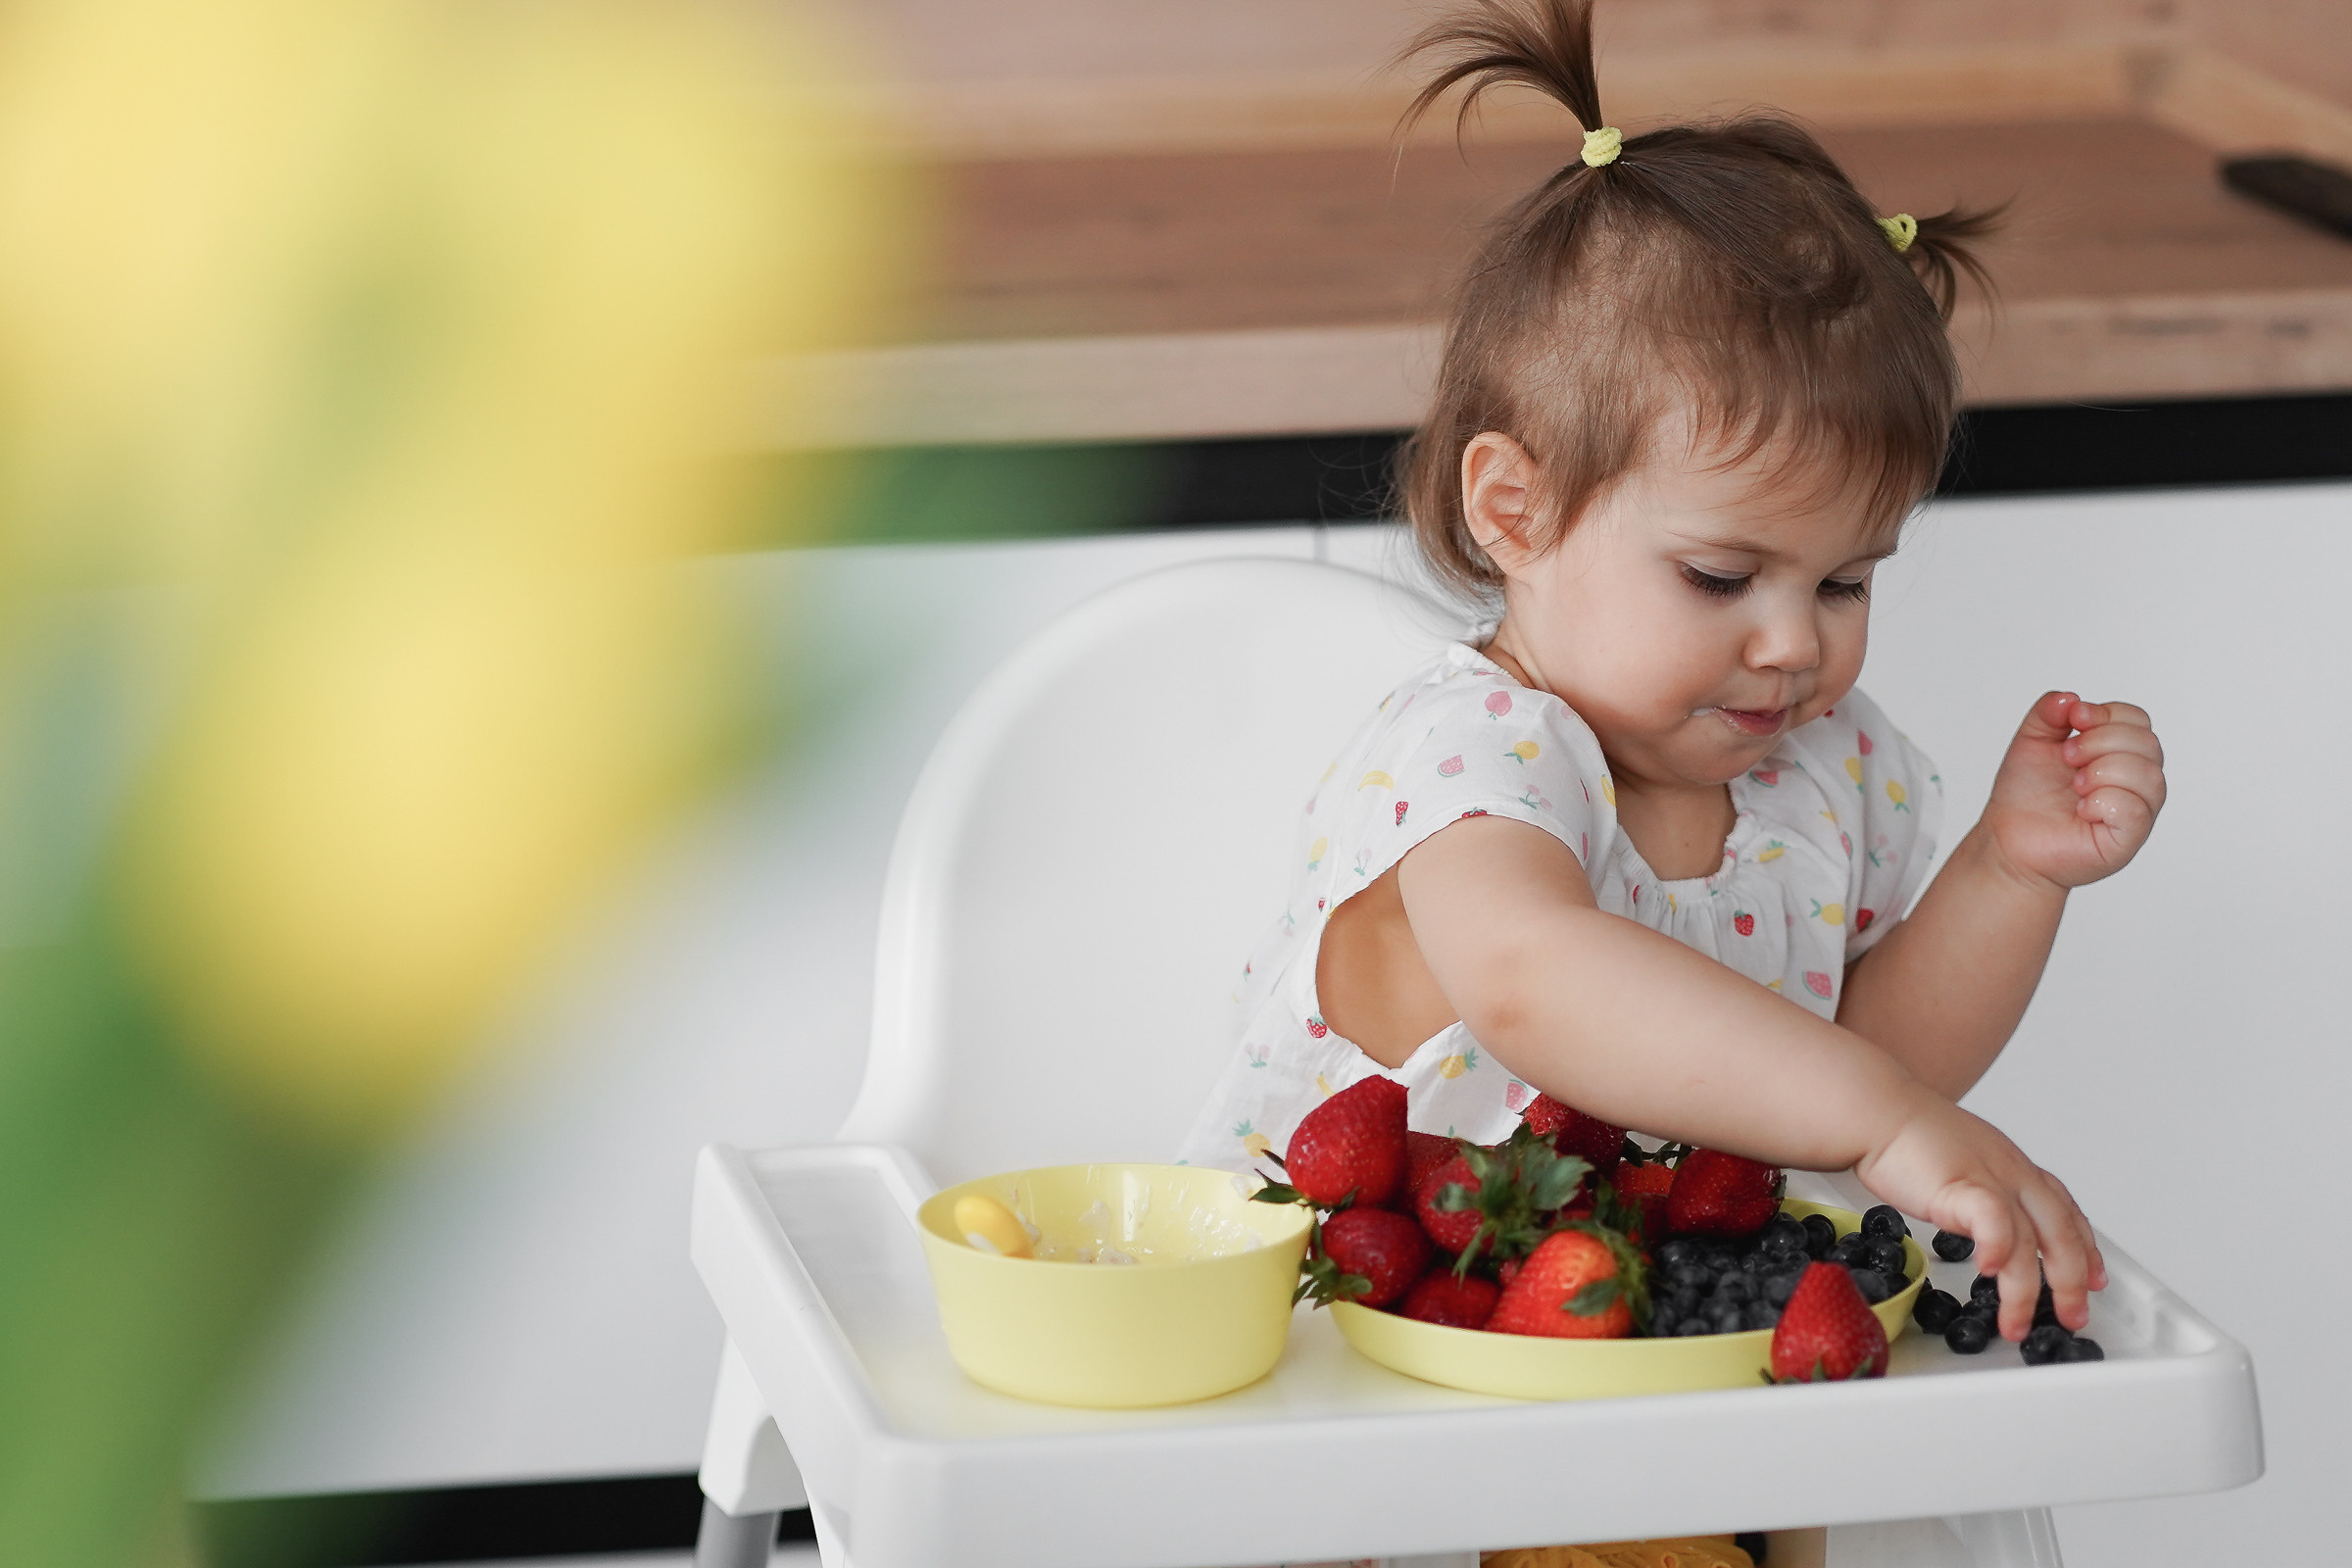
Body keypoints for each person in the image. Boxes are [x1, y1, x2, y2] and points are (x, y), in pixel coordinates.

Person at [1175, 0, 2166, 1342]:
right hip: (1347, 1348)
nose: (1795, 643)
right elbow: (1535, 979)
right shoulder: (1469, 753)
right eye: (1720, 577)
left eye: (1844, 581)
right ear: (1513, 511)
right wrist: (1882, 1120)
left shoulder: (1829, 765)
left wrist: (2008, 870)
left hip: (1642, 1349)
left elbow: (1869, 1065)